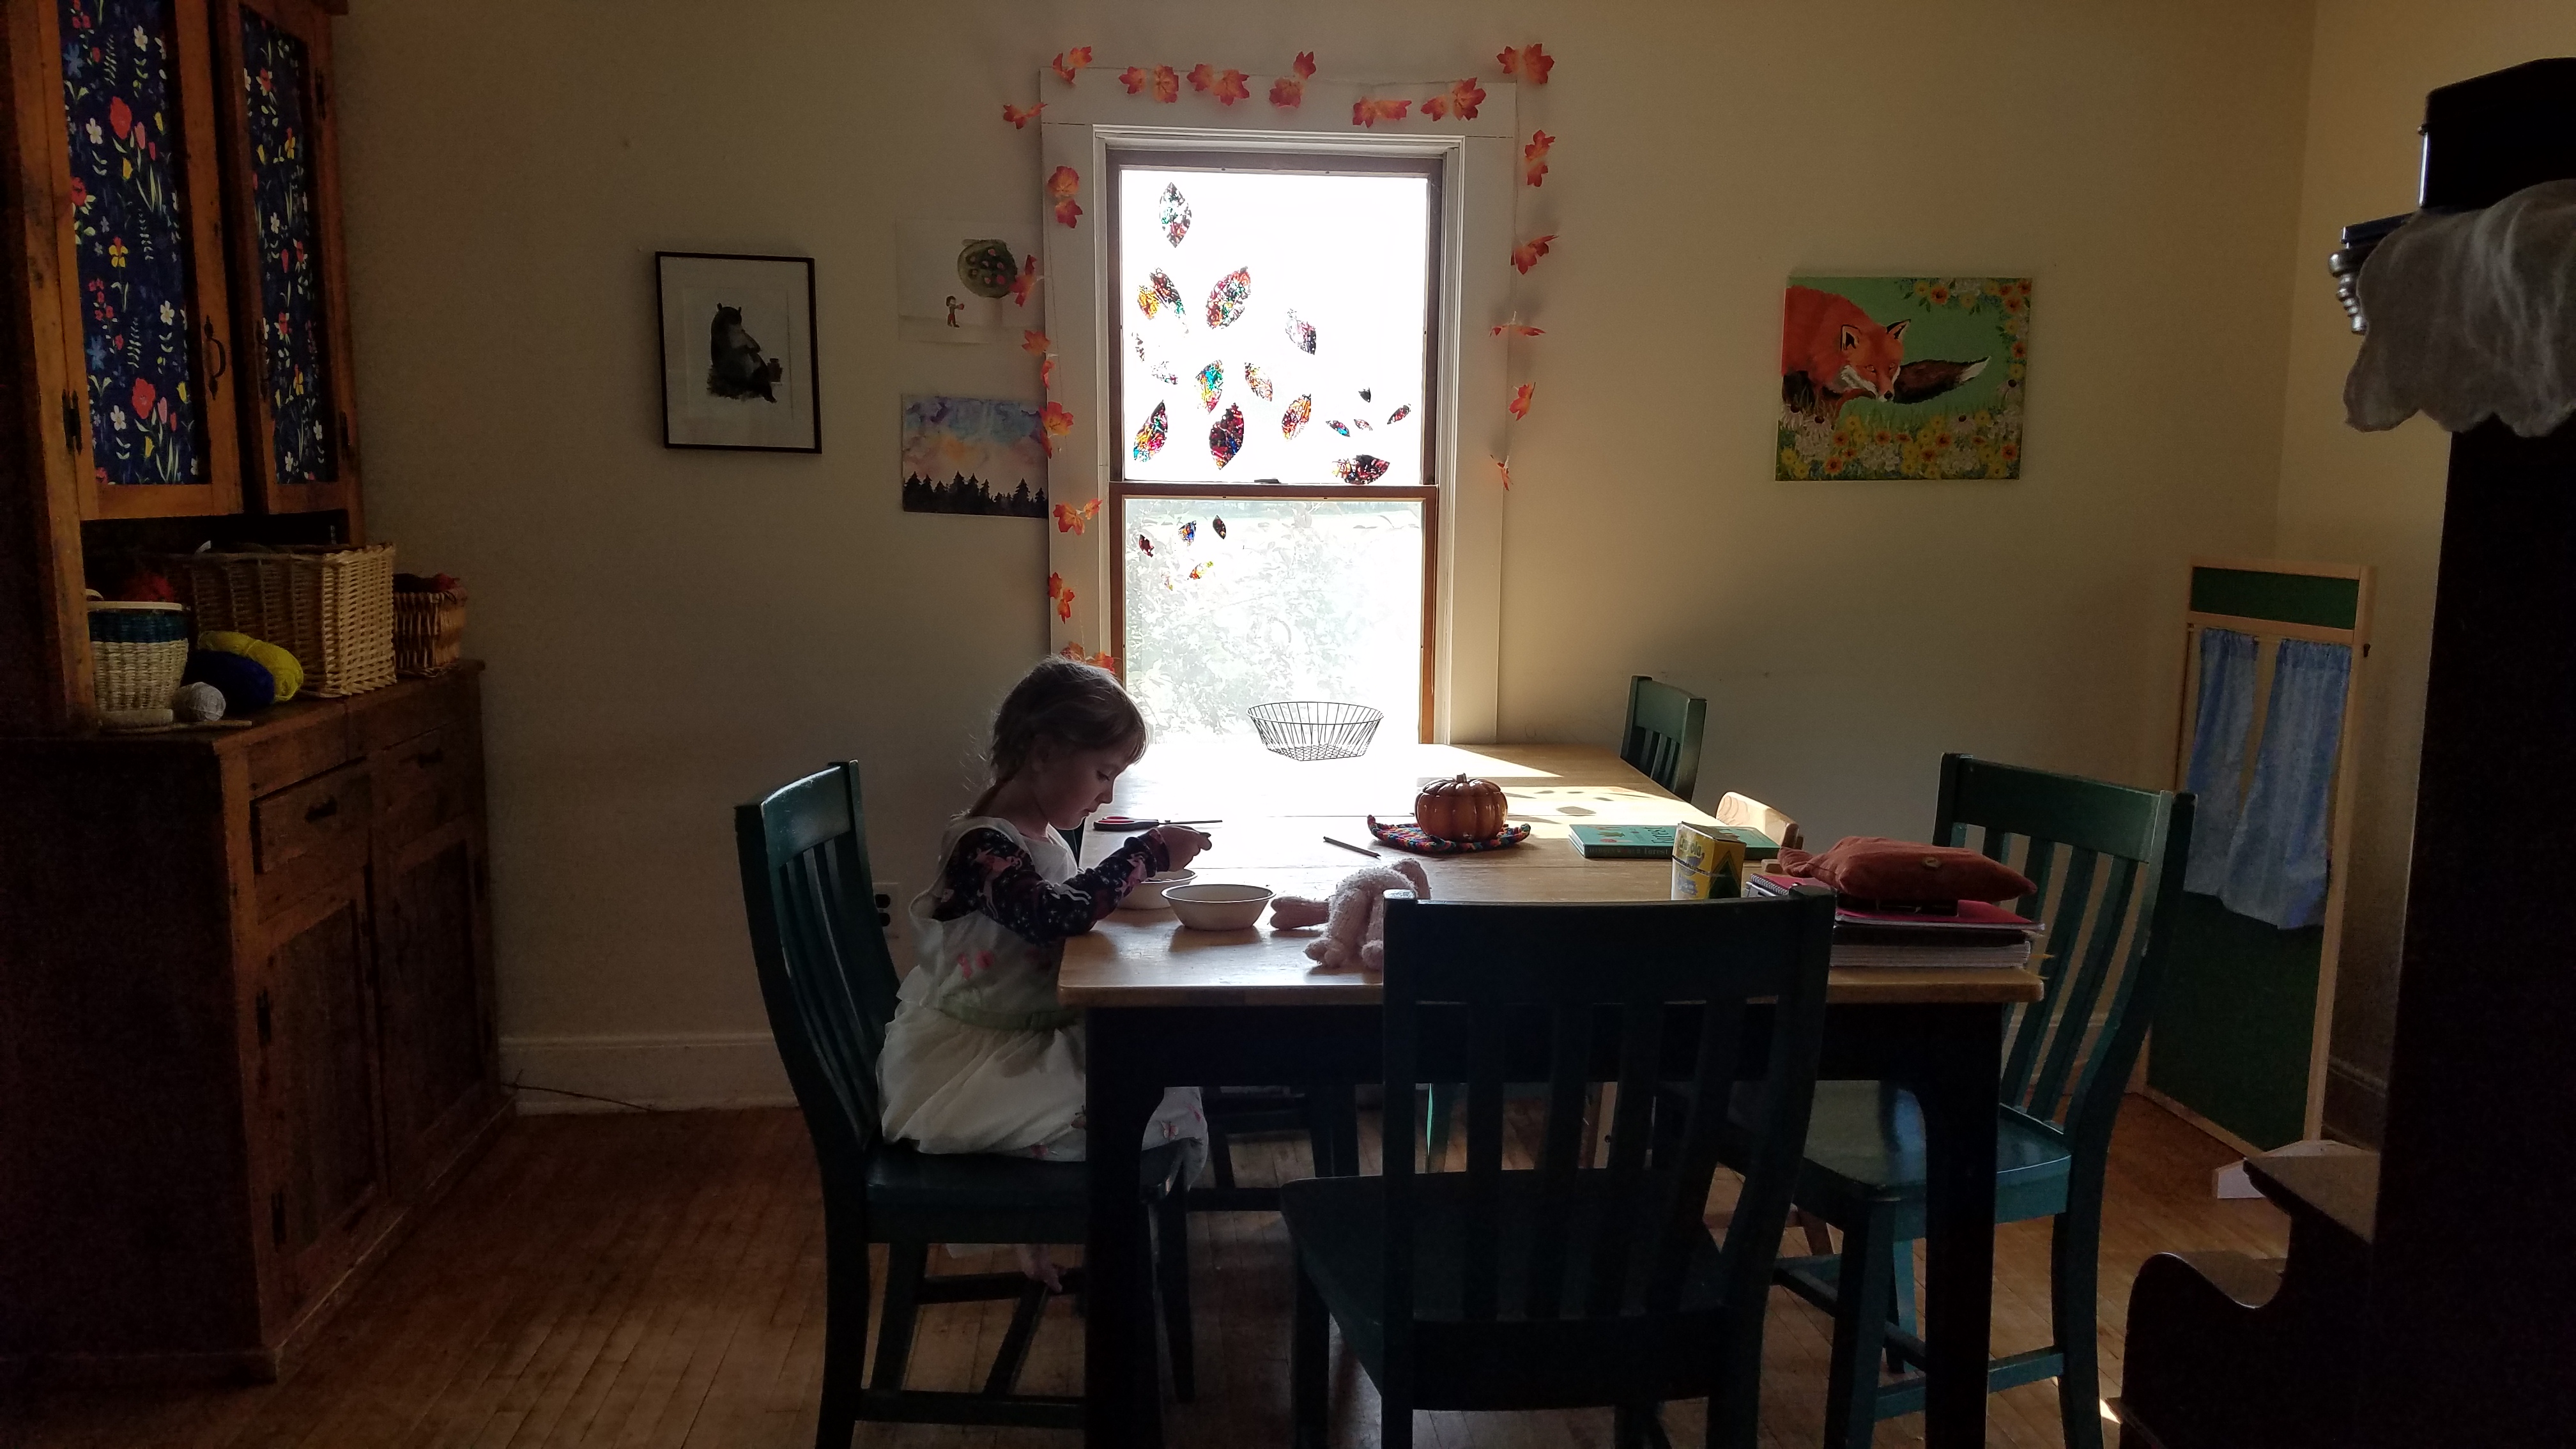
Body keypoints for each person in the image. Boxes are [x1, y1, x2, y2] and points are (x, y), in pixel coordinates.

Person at [877, 658, 1212, 1285]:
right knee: (1144, 1108)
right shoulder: (981, 846)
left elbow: (1065, 902)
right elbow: (1056, 914)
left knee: (1164, 1076)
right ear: (1044, 753)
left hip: (1029, 1033)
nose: (1107, 795)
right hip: (982, 1062)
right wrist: (1147, 853)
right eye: (1103, 774)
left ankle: (1065, 1229)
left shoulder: (1035, 832)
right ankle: (1102, 1254)